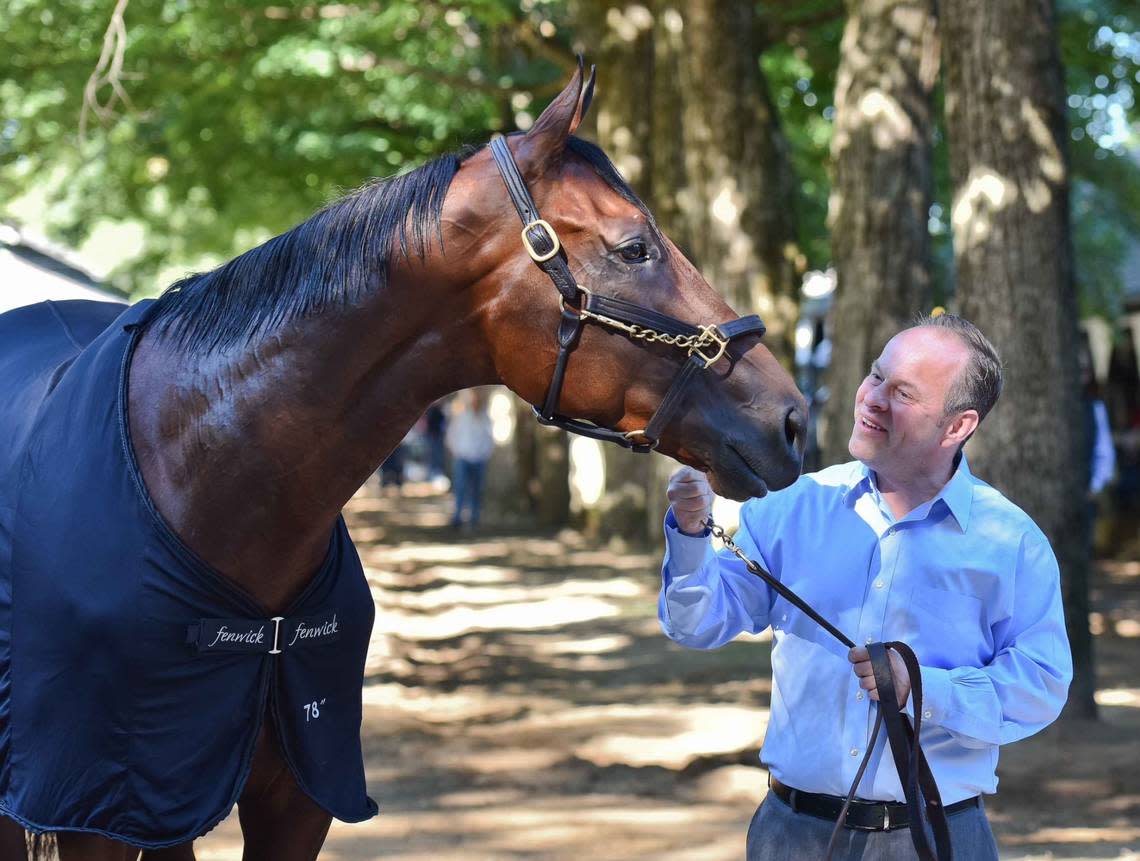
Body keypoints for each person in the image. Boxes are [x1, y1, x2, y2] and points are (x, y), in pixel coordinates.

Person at [659, 313, 1072, 860]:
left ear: (957, 426)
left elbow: (1041, 683)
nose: (873, 398)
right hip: (792, 835)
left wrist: (925, 691)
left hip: (935, 838)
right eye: (876, 376)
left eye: (902, 392)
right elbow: (695, 623)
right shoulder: (791, 505)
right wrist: (690, 534)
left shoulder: (1010, 542)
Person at [446, 389, 495, 529]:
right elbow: (451, 436)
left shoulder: (485, 418)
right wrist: (457, 451)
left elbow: (489, 439)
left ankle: (474, 518)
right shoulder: (461, 417)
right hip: (463, 457)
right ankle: (457, 516)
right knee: (460, 488)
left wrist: (484, 454)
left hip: (479, 459)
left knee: (476, 490)